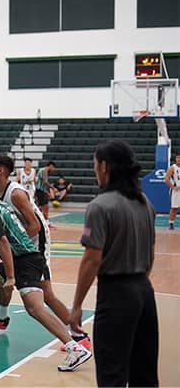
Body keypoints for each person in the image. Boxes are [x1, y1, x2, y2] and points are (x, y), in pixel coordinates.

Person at [0, 169, 92, 373]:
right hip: (27, 257)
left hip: (24, 260)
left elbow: (4, 243)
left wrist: (10, 276)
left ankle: (74, 347)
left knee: (35, 308)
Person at [70, 140, 158, 386]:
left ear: (105, 166)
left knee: (112, 374)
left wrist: (77, 305)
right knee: (145, 373)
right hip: (144, 291)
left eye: (95, 164)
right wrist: (139, 283)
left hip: (117, 294)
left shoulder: (100, 206)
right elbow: (150, 254)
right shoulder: (144, 203)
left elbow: (92, 259)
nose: (94, 169)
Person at [0, 155, 90, 348]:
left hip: (37, 242)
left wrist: (21, 246)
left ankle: (78, 334)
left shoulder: (15, 193)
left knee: (46, 294)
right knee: (8, 270)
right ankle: (1, 316)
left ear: (0, 170)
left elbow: (35, 225)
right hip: (25, 243)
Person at [34, 161, 56, 225]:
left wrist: (46, 192)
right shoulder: (44, 171)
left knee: (42, 207)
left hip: (41, 191)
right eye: (53, 168)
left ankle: (43, 222)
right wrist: (52, 187)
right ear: (51, 166)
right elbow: (45, 181)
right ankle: (45, 223)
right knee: (44, 207)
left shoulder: (42, 170)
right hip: (40, 191)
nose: (53, 169)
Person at [164, 152, 180, 230]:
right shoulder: (172, 168)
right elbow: (166, 178)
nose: (179, 159)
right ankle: (171, 224)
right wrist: (173, 187)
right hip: (176, 191)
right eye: (178, 157)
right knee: (174, 208)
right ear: (176, 159)